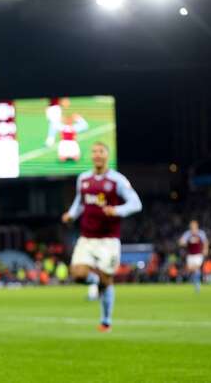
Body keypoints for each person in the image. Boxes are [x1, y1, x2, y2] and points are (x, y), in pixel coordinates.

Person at [61, 142, 142, 332]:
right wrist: (71, 214)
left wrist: (117, 210)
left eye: (101, 151)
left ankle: (106, 321)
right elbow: (80, 203)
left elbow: (136, 203)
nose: (97, 155)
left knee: (108, 281)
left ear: (107, 155)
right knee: (78, 273)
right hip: (87, 238)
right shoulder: (83, 179)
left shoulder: (117, 180)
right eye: (94, 152)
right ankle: (96, 282)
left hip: (108, 239)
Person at [178, 220, 208, 293]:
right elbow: (181, 242)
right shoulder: (187, 234)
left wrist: (205, 249)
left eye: (194, 226)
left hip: (198, 255)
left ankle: (197, 285)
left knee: (196, 268)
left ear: (197, 226)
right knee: (191, 270)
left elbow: (205, 242)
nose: (193, 228)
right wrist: (184, 243)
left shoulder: (201, 233)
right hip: (190, 255)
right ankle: (195, 282)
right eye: (192, 226)